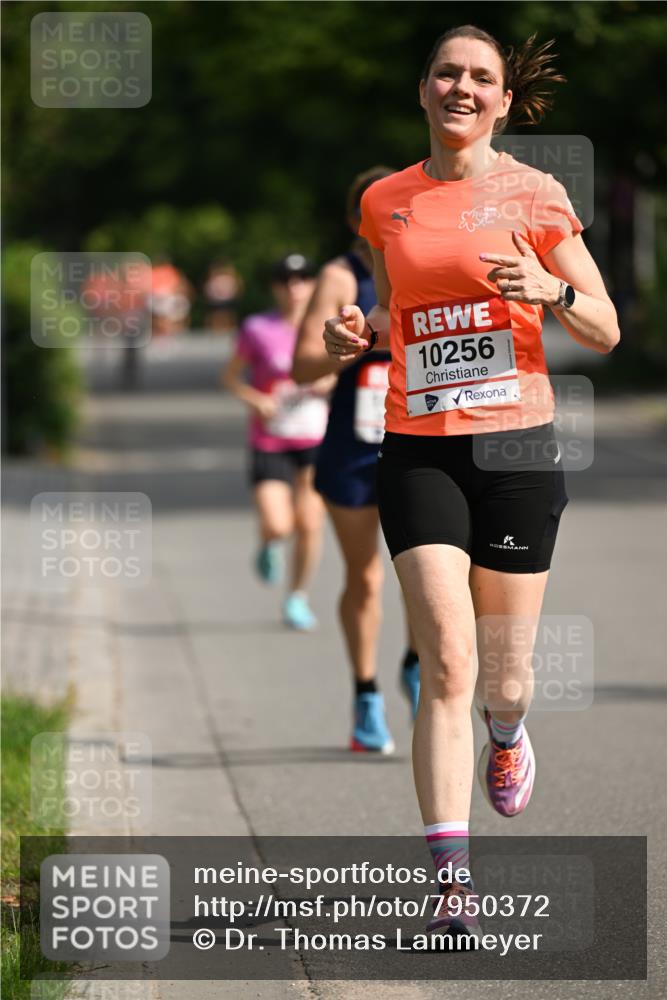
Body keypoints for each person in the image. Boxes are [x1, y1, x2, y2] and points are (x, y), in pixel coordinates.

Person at [323, 25, 619, 940]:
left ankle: (505, 731)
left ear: (501, 100)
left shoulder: (535, 195)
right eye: (446, 73)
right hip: (417, 446)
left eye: (479, 78)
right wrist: (355, 334)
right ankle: (450, 880)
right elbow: (388, 311)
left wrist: (549, 288)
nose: (461, 87)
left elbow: (605, 327)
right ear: (422, 91)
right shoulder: (386, 201)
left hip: (517, 452)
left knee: (503, 677)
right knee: (446, 657)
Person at [292, 168, 421, 756]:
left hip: (422, 438)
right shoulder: (340, 277)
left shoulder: (429, 262)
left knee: (427, 575)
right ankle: (366, 694)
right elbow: (301, 367)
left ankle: (418, 665)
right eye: (381, 212)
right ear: (355, 223)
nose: (395, 220)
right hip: (354, 446)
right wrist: (352, 345)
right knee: (366, 577)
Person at [223, 254, 333, 631]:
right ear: (275, 287)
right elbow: (231, 379)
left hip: (315, 435)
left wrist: (327, 382)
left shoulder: (324, 327)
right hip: (270, 438)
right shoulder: (257, 328)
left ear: (313, 284)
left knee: (310, 522)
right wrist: (258, 400)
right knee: (279, 523)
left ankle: (296, 597)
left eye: (302, 278)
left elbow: (344, 370)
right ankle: (269, 542)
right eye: (286, 280)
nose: (294, 287)